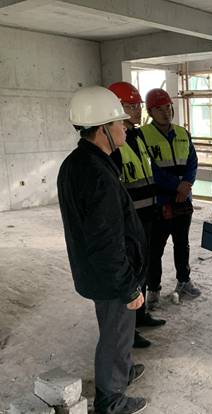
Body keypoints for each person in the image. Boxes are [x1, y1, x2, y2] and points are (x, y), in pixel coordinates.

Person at [57, 86, 148, 414]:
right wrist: (128, 286)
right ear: (102, 129)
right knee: (115, 334)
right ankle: (111, 399)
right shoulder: (97, 174)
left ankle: (122, 371)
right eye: (119, 122)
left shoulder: (78, 163)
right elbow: (105, 241)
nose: (125, 127)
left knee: (116, 330)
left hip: (96, 271)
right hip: (110, 276)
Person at [108, 82, 167, 348]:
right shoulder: (113, 144)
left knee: (143, 267)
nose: (136, 110)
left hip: (147, 214)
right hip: (130, 220)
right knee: (130, 272)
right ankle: (128, 330)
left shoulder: (137, 136)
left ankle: (140, 315)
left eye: (137, 105)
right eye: (130, 106)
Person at [139, 88, 201, 307]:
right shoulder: (142, 136)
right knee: (155, 248)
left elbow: (193, 161)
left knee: (182, 244)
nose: (166, 113)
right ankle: (153, 289)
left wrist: (187, 183)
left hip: (183, 200)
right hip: (159, 202)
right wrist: (177, 185)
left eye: (168, 108)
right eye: (160, 109)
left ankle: (184, 280)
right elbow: (149, 168)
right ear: (150, 112)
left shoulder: (182, 133)